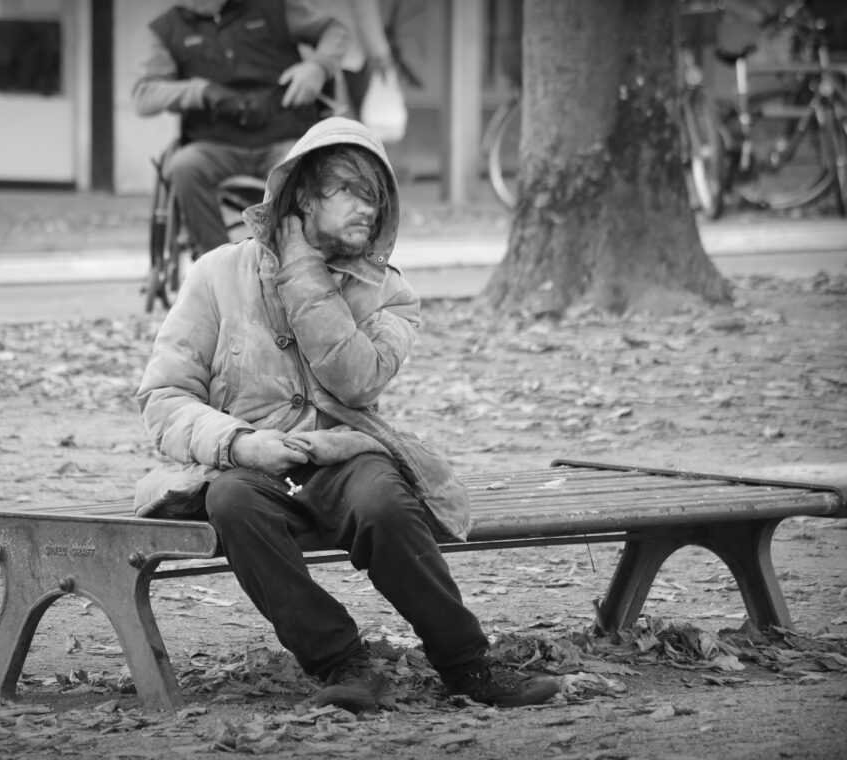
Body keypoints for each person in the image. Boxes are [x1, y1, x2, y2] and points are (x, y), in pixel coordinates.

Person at [133, 116, 561, 713]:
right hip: (251, 466)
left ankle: (468, 667)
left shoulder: (391, 294)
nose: (368, 209)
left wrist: (304, 273)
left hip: (344, 458)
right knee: (230, 501)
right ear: (303, 196)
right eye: (349, 192)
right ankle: (344, 664)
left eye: (376, 197)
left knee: (385, 501)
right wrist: (239, 443)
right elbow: (164, 398)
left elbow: (355, 379)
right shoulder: (216, 274)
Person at [132, 0, 350, 255]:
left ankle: (293, 261)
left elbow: (335, 31)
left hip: (283, 141)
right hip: (215, 146)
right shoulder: (167, 29)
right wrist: (199, 91)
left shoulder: (275, 7)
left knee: (306, 166)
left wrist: (318, 67)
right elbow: (144, 96)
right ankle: (218, 264)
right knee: (183, 167)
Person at [324, 0, 396, 118]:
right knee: (350, 117)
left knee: (322, 118)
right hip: (349, 55)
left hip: (313, 56)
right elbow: (367, 16)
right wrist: (381, 55)